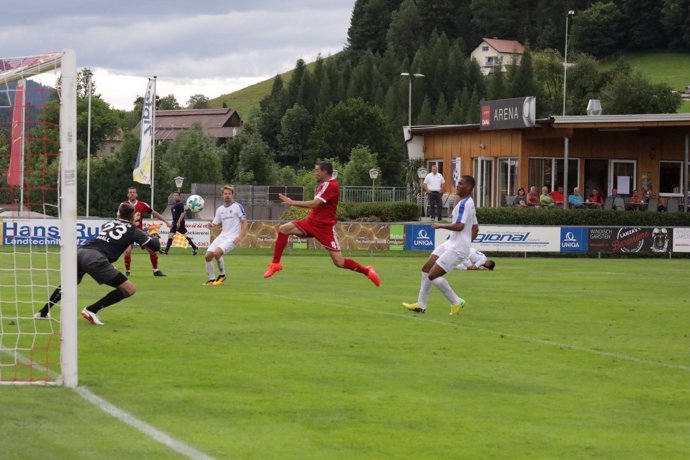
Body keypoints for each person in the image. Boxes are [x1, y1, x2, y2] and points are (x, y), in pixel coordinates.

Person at [34, 202, 160, 326]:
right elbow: (154, 247)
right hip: (96, 258)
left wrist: (132, 222)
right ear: (132, 216)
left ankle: (43, 312)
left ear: (118, 213)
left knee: (68, 285)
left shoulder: (109, 223)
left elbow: (121, 225)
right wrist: (152, 234)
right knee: (129, 289)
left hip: (79, 252)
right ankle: (92, 310)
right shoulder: (134, 230)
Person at [263, 161, 380, 286]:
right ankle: (276, 264)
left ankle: (367, 271)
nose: (315, 173)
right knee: (283, 229)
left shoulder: (331, 185)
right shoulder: (324, 185)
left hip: (325, 229)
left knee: (339, 262)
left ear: (324, 172)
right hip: (311, 223)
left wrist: (292, 202)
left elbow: (314, 203)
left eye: (317, 171)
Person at [403, 175, 477, 315]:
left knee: (433, 275)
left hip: (457, 246)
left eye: (461, 184)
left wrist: (440, 226)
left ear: (469, 188)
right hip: (451, 243)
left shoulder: (465, 204)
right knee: (426, 269)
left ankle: (456, 301)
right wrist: (467, 242)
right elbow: (475, 228)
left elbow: (460, 226)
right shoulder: (468, 203)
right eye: (458, 183)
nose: (457, 185)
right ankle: (421, 305)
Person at [204, 185, 248, 285]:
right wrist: (210, 225)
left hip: (233, 237)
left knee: (217, 253)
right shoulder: (220, 209)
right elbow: (214, 225)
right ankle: (212, 280)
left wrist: (240, 236)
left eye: (229, 194)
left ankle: (222, 275)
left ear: (232, 195)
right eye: (225, 194)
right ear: (222, 196)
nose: (227, 196)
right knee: (207, 256)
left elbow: (245, 223)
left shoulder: (237, 206)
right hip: (223, 236)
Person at [122, 185, 171, 276]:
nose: (132, 194)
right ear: (128, 195)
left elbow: (154, 213)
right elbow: (119, 217)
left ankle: (156, 270)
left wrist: (166, 222)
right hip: (128, 231)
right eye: (130, 192)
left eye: (133, 192)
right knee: (128, 251)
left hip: (139, 232)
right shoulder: (124, 205)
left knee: (152, 250)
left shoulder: (142, 205)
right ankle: (128, 272)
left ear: (136, 194)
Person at [162, 191, 199, 256]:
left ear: (179, 196)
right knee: (181, 236)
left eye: (176, 195)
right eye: (174, 195)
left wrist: (178, 222)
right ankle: (195, 247)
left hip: (179, 223)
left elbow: (182, 213)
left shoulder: (180, 204)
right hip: (175, 223)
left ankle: (166, 251)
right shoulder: (175, 204)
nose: (175, 196)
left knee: (171, 235)